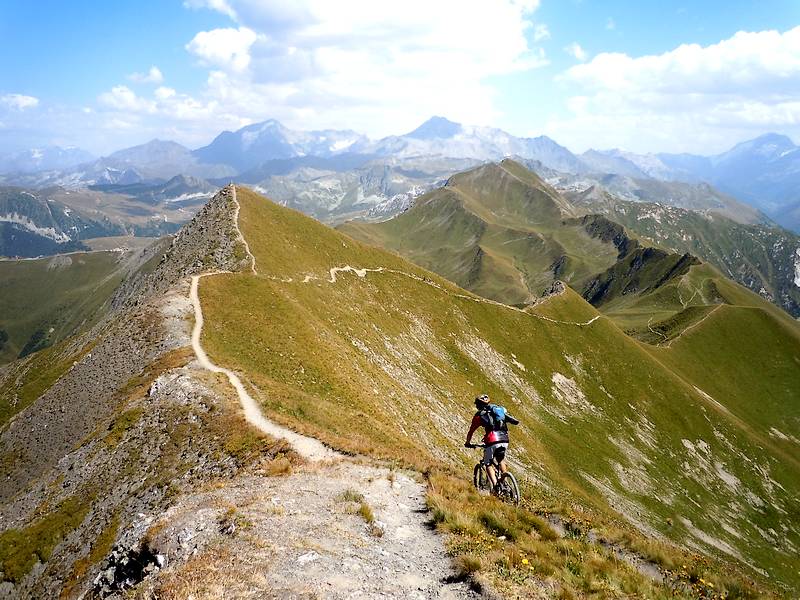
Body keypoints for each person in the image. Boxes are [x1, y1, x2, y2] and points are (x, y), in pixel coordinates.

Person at [465, 394, 519, 493]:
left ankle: (495, 488)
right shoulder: (498, 409)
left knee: (488, 463)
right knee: (500, 459)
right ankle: (505, 481)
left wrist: (468, 443)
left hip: (492, 440)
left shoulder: (479, 415)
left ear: (478, 405)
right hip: (505, 438)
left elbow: (471, 431)